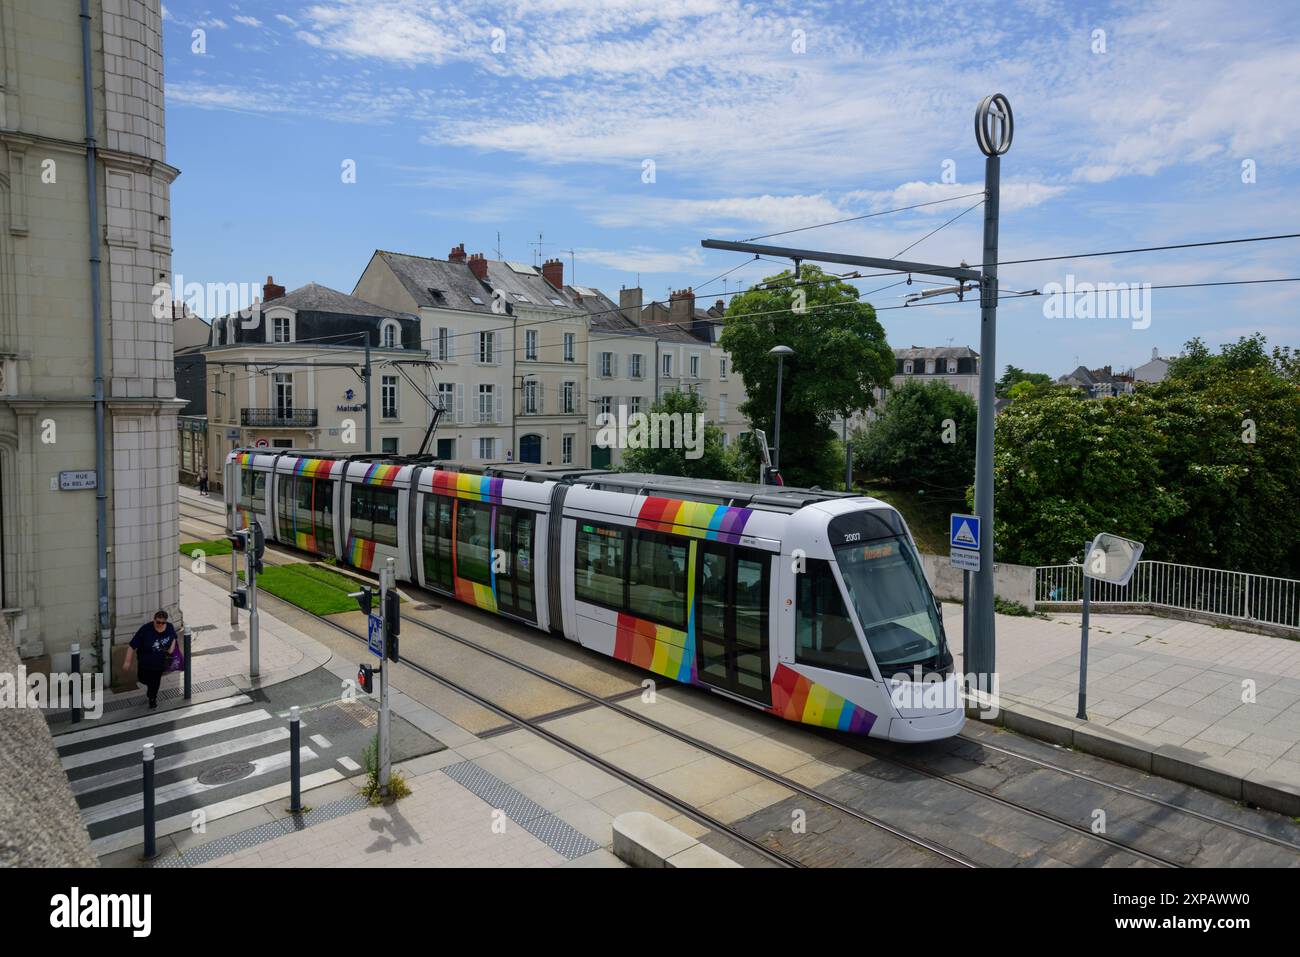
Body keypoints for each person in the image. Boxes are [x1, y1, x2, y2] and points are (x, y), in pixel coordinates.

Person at [123, 610, 177, 709]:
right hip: (145, 662)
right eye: (158, 622)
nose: (160, 624)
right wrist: (127, 662)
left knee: (156, 682)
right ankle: (151, 687)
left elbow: (174, 636)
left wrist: (171, 648)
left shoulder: (169, 627)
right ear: (154, 620)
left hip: (159, 663)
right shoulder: (145, 629)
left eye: (163, 622)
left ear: (166, 621)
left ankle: (152, 699)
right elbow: (131, 646)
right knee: (142, 678)